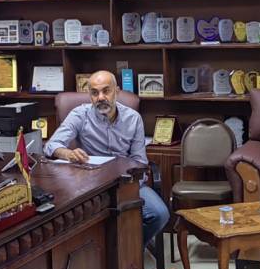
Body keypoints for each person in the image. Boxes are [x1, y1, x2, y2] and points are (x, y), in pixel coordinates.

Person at [44, 70, 170, 250]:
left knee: (159, 214)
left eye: (106, 91)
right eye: (94, 93)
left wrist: (129, 187)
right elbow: (51, 145)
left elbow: (139, 161)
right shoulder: (80, 115)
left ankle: (129, 252)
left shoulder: (133, 119)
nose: (100, 97)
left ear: (116, 91)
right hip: (91, 186)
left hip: (126, 182)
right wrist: (68, 153)